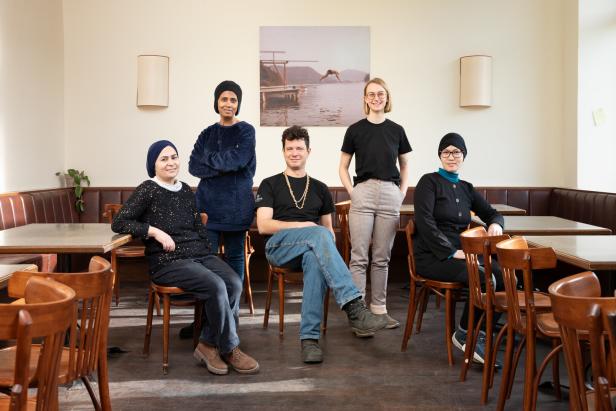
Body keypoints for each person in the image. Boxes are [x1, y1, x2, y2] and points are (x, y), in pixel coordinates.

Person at [112, 140, 259, 375]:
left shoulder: (185, 190)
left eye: (174, 157)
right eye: (163, 159)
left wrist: (210, 257)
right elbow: (119, 222)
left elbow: (198, 230)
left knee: (233, 282)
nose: (170, 162)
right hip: (167, 261)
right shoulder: (148, 189)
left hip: (197, 255)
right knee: (215, 286)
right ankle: (230, 349)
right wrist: (155, 232)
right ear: (153, 165)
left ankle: (208, 344)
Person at [256, 125, 388, 364]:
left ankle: (309, 341)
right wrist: (304, 226)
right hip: (278, 248)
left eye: (299, 148)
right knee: (317, 235)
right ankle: (353, 306)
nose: (294, 153)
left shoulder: (320, 188)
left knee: (315, 261)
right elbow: (264, 225)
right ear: (283, 151)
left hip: (310, 247)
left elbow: (329, 232)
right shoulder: (270, 183)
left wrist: (316, 234)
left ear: (308, 151)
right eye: (289, 148)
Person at [413, 132, 504, 364]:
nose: (451, 156)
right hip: (434, 256)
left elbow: (493, 213)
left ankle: (481, 333)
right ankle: (464, 333)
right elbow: (424, 222)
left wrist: (495, 224)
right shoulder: (428, 182)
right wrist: (452, 252)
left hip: (462, 255)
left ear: (464, 156)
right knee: (483, 276)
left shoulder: (466, 188)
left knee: (503, 276)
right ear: (440, 155)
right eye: (446, 152)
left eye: (457, 152)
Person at [339, 77, 412, 328]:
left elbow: (404, 165)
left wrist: (400, 193)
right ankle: (358, 314)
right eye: (371, 94)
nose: (376, 98)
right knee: (359, 256)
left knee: (382, 256)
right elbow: (343, 166)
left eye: (380, 93)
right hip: (364, 193)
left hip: (390, 193)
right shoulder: (355, 130)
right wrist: (353, 192)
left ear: (387, 97)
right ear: (365, 99)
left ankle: (379, 310)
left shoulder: (397, 130)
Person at [189, 80, 256, 281]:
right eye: (224, 99)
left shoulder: (246, 131)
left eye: (233, 100)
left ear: (238, 104)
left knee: (235, 256)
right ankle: (211, 310)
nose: (229, 103)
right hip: (208, 208)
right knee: (207, 259)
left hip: (237, 207)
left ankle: (231, 311)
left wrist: (209, 159)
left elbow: (239, 160)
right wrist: (227, 166)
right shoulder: (206, 133)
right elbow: (193, 166)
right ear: (217, 102)